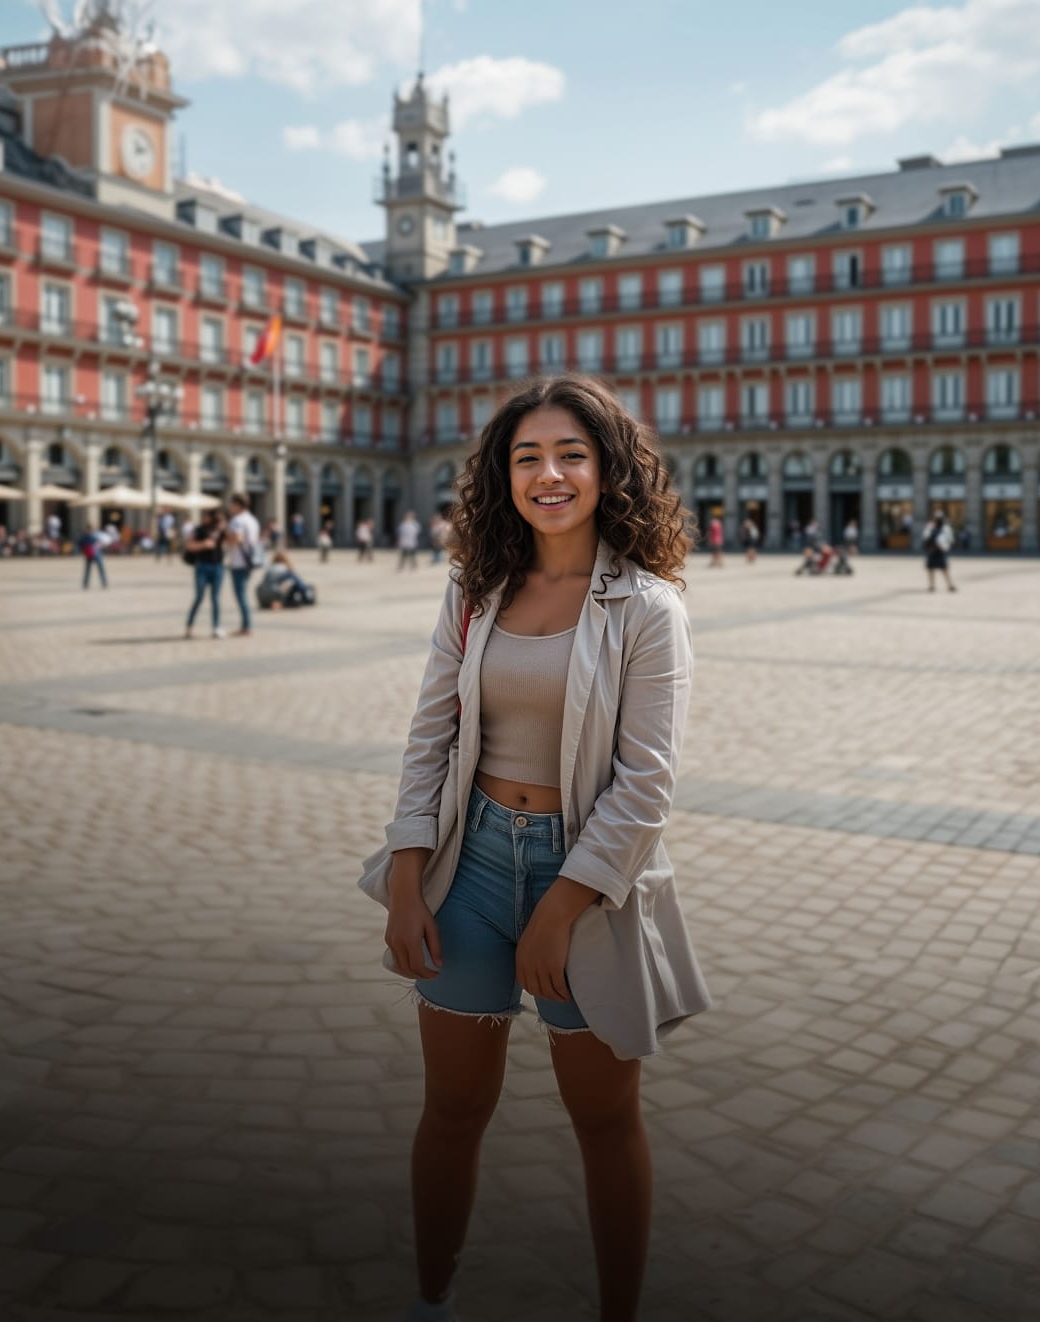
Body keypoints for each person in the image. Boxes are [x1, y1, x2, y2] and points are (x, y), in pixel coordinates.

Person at [359, 375, 710, 1322]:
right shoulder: (477, 589)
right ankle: (431, 1295)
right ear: (501, 475)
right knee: (453, 1110)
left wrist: (560, 909)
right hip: (468, 867)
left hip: (587, 880)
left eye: (570, 455)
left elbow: (647, 786)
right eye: (527, 457)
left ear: (607, 471)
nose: (548, 473)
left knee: (603, 1121)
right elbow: (429, 736)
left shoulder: (646, 608)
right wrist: (404, 884)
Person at [183, 508, 227, 639]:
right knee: (199, 597)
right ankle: (189, 626)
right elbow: (189, 546)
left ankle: (217, 626)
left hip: (218, 566)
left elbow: (231, 540)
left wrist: (224, 526)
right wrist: (203, 544)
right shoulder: (199, 529)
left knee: (215, 598)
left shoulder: (221, 531)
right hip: (202, 566)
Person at [226, 494, 263, 636]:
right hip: (250, 560)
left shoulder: (237, 520)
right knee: (243, 594)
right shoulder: (253, 520)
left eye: (232, 504)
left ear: (238, 505)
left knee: (240, 595)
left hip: (238, 561)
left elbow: (237, 537)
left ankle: (246, 626)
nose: (231, 507)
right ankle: (246, 625)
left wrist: (225, 536)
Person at [924, 509, 957, 593]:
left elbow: (950, 539)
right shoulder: (930, 526)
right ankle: (931, 586)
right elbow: (925, 537)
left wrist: (944, 546)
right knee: (931, 569)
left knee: (944, 569)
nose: (937, 520)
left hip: (941, 550)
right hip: (932, 550)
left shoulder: (946, 528)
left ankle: (949, 585)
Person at [78, 522, 108, 589]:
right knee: (100, 570)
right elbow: (101, 544)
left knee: (88, 570)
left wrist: (84, 550)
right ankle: (104, 583)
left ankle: (85, 584)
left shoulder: (84, 536)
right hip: (96, 554)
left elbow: (80, 545)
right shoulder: (95, 535)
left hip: (90, 555)